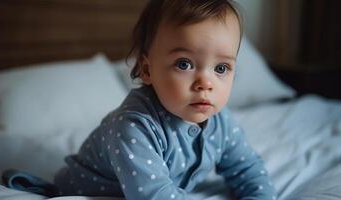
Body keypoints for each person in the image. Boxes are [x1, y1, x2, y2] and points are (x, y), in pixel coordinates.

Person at [54, 0, 277, 199]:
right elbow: (155, 195)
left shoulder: (220, 121)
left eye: (221, 68)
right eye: (184, 64)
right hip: (87, 190)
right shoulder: (134, 126)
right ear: (147, 70)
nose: (206, 83)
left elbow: (248, 169)